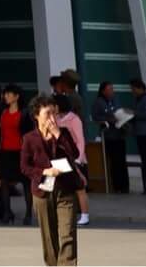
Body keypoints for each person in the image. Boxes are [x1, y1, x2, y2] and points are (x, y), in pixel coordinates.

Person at [21, 98, 84, 265]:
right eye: (47, 114)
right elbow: (24, 167)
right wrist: (44, 172)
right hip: (42, 191)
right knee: (49, 237)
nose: (52, 118)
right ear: (36, 116)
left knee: (68, 233)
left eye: (54, 113)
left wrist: (58, 134)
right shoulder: (29, 138)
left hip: (65, 189)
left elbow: (75, 154)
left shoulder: (63, 133)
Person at [52, 92, 89, 226]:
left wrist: (78, 158)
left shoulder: (74, 119)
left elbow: (80, 140)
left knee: (79, 188)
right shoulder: (55, 119)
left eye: (54, 105)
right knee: (61, 187)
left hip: (75, 158)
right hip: (60, 158)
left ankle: (85, 215)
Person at [0, 84, 26, 225]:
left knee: (25, 182)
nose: (6, 96)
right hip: (5, 151)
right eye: (5, 94)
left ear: (16, 96)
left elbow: (26, 133)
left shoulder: (23, 113)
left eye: (9, 94)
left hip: (20, 151)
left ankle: (29, 213)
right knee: (4, 182)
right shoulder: (2, 112)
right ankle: (7, 212)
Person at [91, 80, 129, 195]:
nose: (111, 92)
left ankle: (125, 186)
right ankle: (117, 186)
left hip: (119, 134)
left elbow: (120, 111)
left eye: (112, 89)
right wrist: (107, 120)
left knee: (122, 161)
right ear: (103, 91)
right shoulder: (99, 102)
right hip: (109, 136)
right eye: (109, 89)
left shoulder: (115, 100)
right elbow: (96, 117)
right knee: (114, 162)